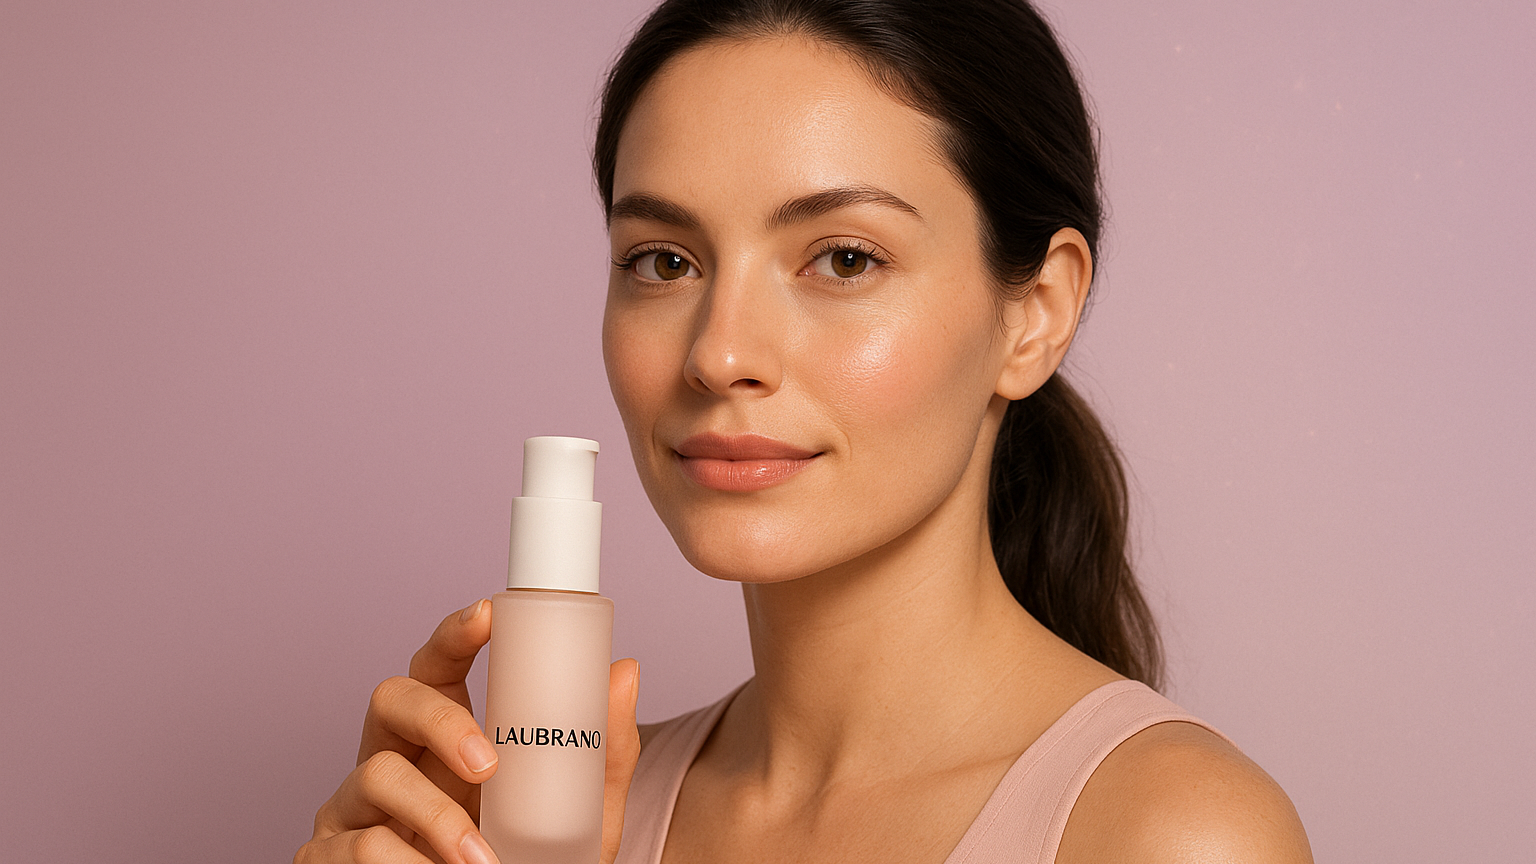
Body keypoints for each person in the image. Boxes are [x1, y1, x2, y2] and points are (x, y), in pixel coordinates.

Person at [296, 1, 1314, 862]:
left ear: (1035, 314)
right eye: (663, 261)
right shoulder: (551, 826)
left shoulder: (1166, 833)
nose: (719, 352)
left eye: (843, 259)